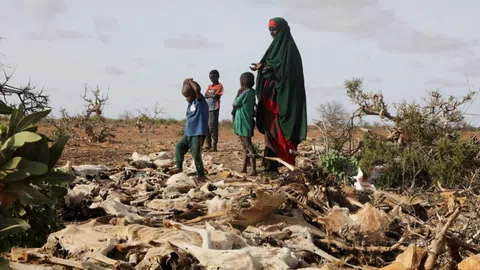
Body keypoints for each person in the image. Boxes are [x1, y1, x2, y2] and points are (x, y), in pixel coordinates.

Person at [250, 17, 307, 172]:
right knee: (270, 130)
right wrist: (262, 67)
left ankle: (285, 162)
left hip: (283, 100)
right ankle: (271, 163)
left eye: (274, 30)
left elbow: (289, 75)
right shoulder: (273, 50)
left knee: (282, 130)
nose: (272, 34)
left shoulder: (291, 51)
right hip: (270, 99)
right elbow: (269, 65)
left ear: (282, 30)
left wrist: (273, 71)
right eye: (270, 30)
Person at [170, 78, 209, 181]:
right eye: (185, 97)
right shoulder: (190, 104)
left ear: (194, 94)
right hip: (188, 134)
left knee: (196, 154)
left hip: (198, 133)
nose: (186, 99)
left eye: (188, 96)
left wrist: (190, 82)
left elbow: (197, 90)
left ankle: (201, 174)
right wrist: (184, 83)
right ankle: (178, 167)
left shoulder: (200, 101)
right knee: (179, 147)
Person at [233, 72, 257, 176]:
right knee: (244, 146)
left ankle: (253, 169)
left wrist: (238, 93)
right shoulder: (252, 93)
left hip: (244, 123)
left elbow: (235, 103)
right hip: (246, 121)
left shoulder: (245, 94)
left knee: (248, 145)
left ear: (242, 83)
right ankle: (244, 168)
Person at [204, 70, 224, 152]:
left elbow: (217, 96)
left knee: (213, 128)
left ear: (217, 77)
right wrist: (211, 95)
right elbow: (205, 95)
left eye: (213, 78)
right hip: (207, 109)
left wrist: (210, 95)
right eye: (210, 78)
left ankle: (214, 146)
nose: (211, 79)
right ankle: (208, 145)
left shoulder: (220, 86)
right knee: (207, 128)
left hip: (214, 109)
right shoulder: (209, 86)